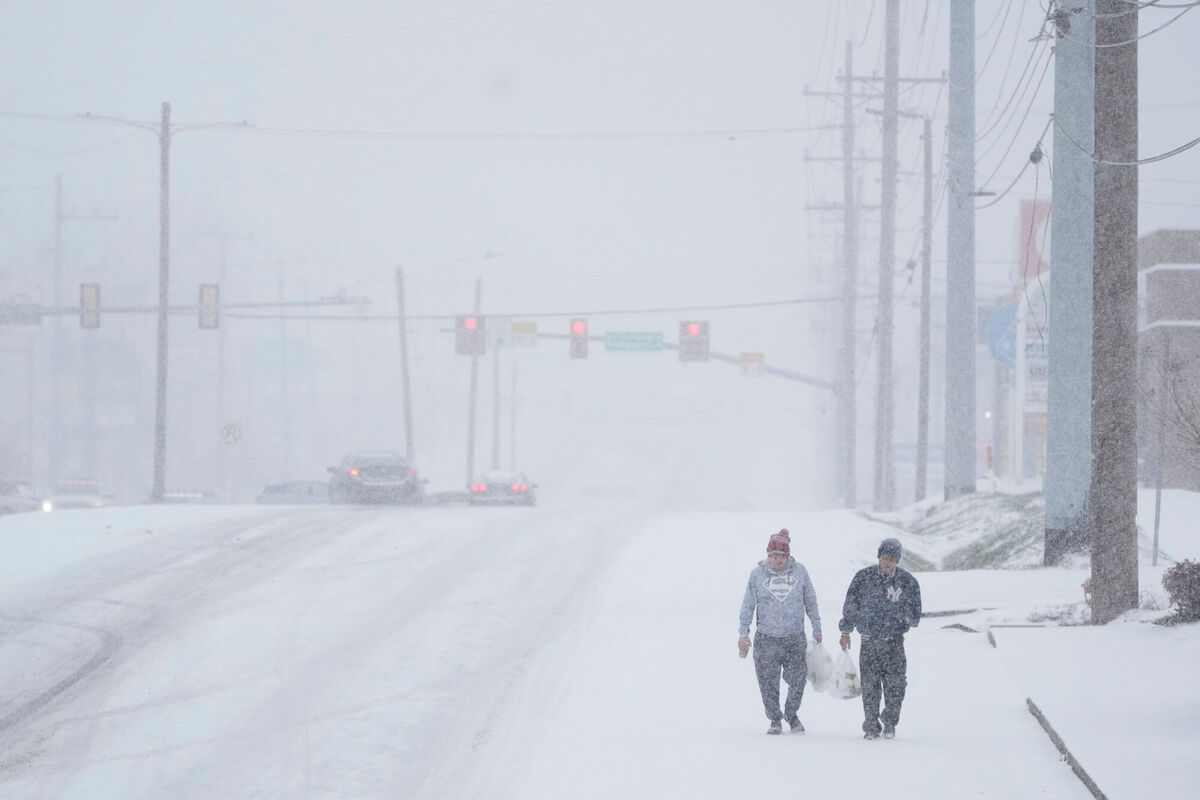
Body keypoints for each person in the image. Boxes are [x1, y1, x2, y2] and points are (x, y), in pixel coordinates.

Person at [738, 529, 823, 735]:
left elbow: (810, 600)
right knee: (768, 682)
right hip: (766, 638)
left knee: (798, 678)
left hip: (794, 637)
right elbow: (748, 604)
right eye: (773, 555)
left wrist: (817, 627)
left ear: (788, 556)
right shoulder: (757, 574)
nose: (777, 560)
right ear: (768, 556)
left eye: (781, 556)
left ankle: (791, 714)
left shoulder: (800, 572)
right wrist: (744, 633)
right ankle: (775, 719)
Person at [837, 537, 922, 740]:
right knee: (870, 686)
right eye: (884, 557)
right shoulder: (863, 578)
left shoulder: (907, 582)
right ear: (879, 557)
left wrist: (901, 617)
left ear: (897, 561)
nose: (887, 562)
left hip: (894, 643)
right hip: (868, 642)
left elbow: (915, 614)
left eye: (892, 559)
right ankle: (871, 726)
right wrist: (845, 631)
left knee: (897, 686)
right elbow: (850, 606)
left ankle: (890, 721)